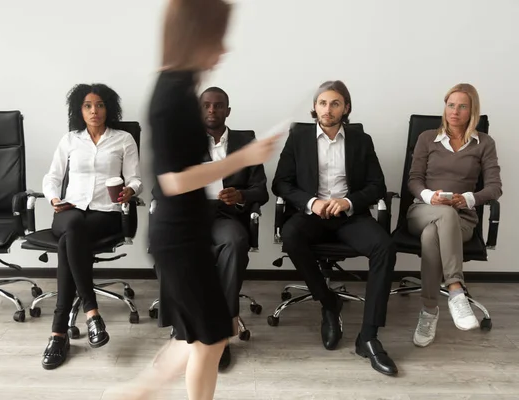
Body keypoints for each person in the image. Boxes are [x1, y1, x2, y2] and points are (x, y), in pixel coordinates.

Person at [118, 1, 278, 399]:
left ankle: (133, 393)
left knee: (204, 337)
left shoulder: (178, 86)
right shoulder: (173, 95)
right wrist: (246, 156)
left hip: (187, 233)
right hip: (179, 238)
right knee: (210, 336)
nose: (224, 48)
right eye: (218, 37)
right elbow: (173, 181)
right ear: (196, 35)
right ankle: (130, 394)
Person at [272, 80, 398, 376]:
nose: (328, 109)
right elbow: (281, 183)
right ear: (314, 108)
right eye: (323, 103)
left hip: (349, 216)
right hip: (311, 214)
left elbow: (377, 185)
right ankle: (329, 302)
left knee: (384, 247)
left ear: (346, 108)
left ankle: (368, 337)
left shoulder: (360, 140)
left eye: (335, 103)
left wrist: (347, 202)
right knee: (290, 235)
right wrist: (312, 203)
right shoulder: (298, 138)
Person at [40, 83, 142, 370]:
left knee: (69, 240)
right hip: (69, 210)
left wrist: (131, 191)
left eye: (99, 105)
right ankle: (91, 313)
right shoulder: (70, 140)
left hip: (105, 214)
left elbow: (135, 178)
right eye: (87, 105)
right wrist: (54, 198)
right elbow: (52, 177)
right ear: (79, 110)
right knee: (72, 227)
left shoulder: (123, 139)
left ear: (109, 108)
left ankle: (58, 334)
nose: (94, 111)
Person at [407, 83, 502, 347]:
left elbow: (495, 187)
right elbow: (413, 180)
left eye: (462, 106)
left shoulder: (484, 143)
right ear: (445, 107)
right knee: (440, 216)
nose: (455, 112)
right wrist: (430, 196)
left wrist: (468, 199)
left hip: (462, 218)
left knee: (432, 234)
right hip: (422, 210)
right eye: (451, 105)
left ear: (472, 110)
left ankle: (428, 311)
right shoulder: (427, 138)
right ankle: (455, 290)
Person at [200, 86, 269, 370]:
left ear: (228, 111)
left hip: (227, 217)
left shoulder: (246, 141)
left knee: (236, 242)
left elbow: (261, 190)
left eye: (218, 106)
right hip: (191, 218)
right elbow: (160, 187)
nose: (212, 110)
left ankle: (221, 335)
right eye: (206, 105)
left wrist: (241, 196)